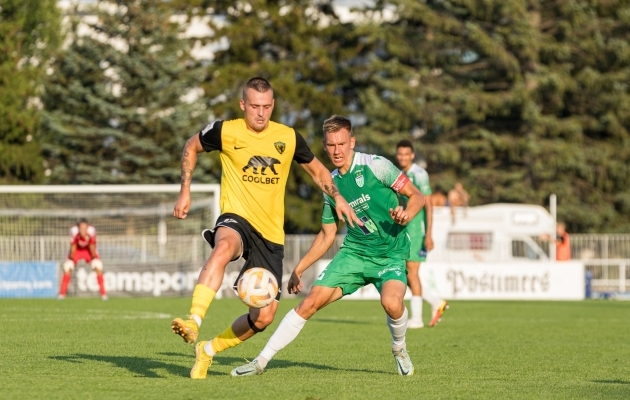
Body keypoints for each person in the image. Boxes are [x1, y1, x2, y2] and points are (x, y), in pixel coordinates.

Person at [170, 78, 361, 378]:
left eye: (267, 107)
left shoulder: (288, 137)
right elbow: (191, 147)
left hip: (271, 234)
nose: (261, 113)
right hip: (237, 217)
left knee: (264, 318)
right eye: (255, 106)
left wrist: (337, 196)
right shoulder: (225, 131)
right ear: (243, 105)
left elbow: (319, 171)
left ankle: (207, 350)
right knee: (223, 246)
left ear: (273, 105)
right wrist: (185, 190)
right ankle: (194, 319)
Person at [227, 115, 425, 378]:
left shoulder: (377, 166)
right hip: (354, 254)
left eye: (342, 144)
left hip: (391, 253)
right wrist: (300, 268)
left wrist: (406, 214)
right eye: (331, 145)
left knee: (391, 303)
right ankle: (260, 362)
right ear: (324, 145)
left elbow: (417, 196)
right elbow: (327, 234)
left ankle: (399, 348)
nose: (337, 150)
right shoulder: (330, 184)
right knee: (309, 303)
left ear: (352, 142)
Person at [395, 140, 448, 328]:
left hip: (417, 231)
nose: (402, 157)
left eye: (406, 154)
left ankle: (417, 319)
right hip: (405, 230)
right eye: (399, 154)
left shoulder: (419, 174)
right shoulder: (400, 174)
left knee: (412, 274)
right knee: (407, 273)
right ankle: (436, 302)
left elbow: (428, 205)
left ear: (412, 155)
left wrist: (429, 234)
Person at [58, 218, 107, 300]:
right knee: (68, 267)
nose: (82, 230)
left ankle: (104, 295)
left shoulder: (92, 231)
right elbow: (73, 245)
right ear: (78, 227)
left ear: (87, 227)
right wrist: (71, 259)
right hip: (77, 250)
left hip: (88, 250)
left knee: (98, 267)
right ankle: (62, 294)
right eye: (81, 228)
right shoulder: (74, 231)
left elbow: (92, 245)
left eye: (84, 228)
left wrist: (93, 258)